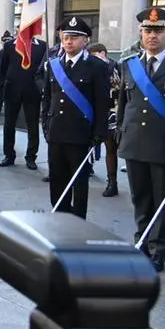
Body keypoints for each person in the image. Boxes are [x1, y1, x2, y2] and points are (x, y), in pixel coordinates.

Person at [117, 7, 165, 272]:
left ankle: (158, 250)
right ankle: (141, 241)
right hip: (134, 142)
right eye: (148, 30)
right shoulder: (129, 65)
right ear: (140, 32)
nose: (152, 35)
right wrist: (120, 135)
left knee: (163, 200)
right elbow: (123, 105)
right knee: (140, 197)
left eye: (159, 30)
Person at [40, 17, 109, 219]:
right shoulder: (53, 65)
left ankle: (78, 222)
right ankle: (60, 217)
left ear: (85, 41)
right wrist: (45, 124)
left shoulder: (96, 66)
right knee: (57, 180)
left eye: (74, 38)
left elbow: (102, 102)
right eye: (65, 37)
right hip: (56, 132)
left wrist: (98, 134)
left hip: (81, 135)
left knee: (79, 184)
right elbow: (47, 98)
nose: (68, 41)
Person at [0, 29, 47, 170]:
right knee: (9, 124)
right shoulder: (9, 45)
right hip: (12, 90)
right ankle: (9, 155)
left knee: (32, 125)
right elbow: (3, 67)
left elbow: (42, 69)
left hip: (32, 91)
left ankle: (31, 156)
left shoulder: (42, 46)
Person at [87, 43, 121, 197]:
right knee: (106, 148)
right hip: (103, 113)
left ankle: (113, 182)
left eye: (95, 55)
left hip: (117, 112)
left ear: (103, 53)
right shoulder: (93, 68)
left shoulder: (116, 66)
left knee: (114, 149)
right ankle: (110, 182)